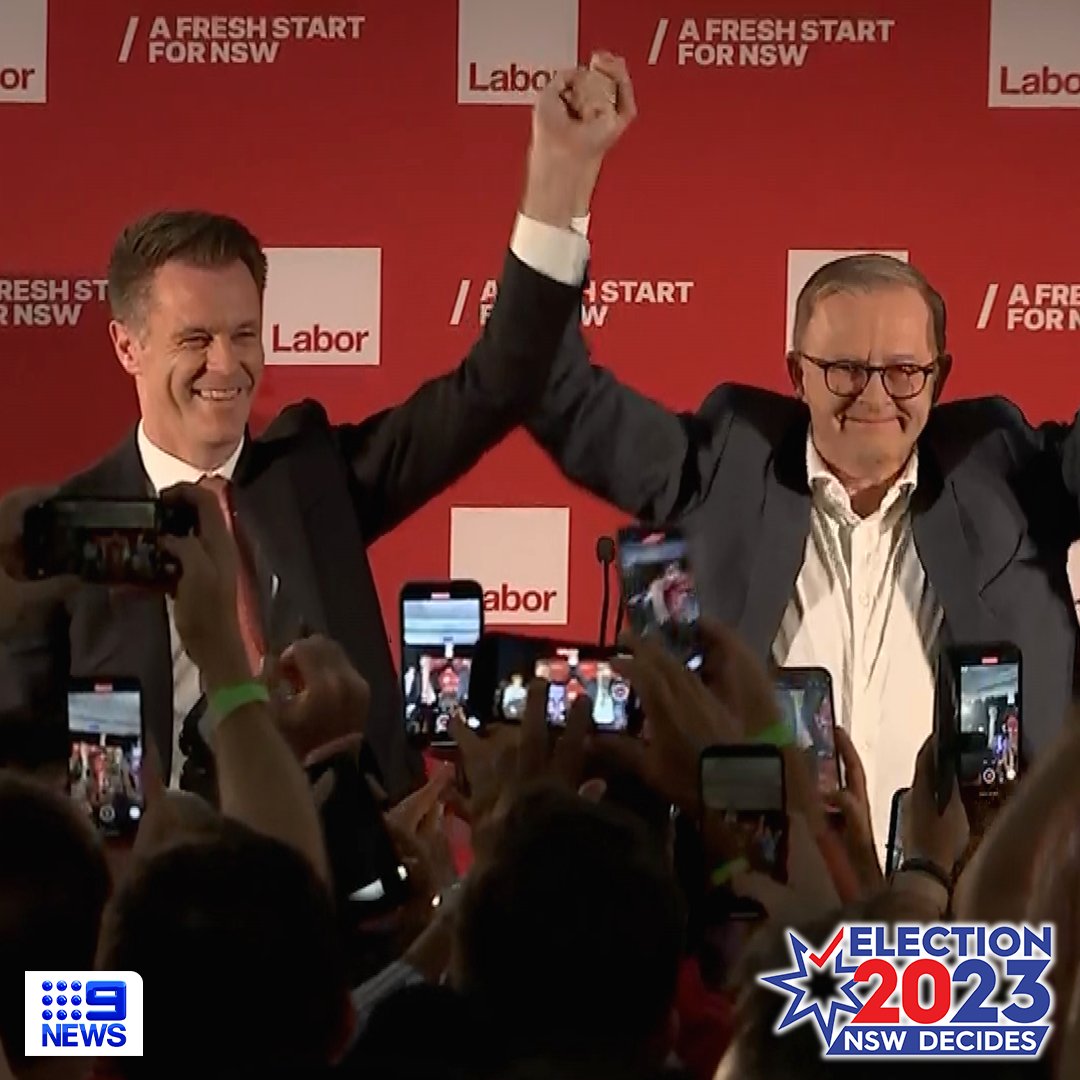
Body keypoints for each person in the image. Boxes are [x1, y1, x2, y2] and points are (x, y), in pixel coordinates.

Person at [0, 66, 628, 799]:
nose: (227, 365)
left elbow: (497, 384)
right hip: (166, 860)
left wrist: (560, 177)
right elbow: (22, 776)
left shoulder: (312, 477)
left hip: (345, 852)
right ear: (126, 346)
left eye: (244, 334)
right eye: (195, 339)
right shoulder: (61, 532)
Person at [518, 55, 1080, 846]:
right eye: (845, 369)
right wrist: (560, 182)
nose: (876, 396)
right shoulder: (726, 461)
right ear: (796, 374)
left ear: (941, 376)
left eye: (905, 371)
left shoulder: (1003, 465)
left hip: (977, 899)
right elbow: (555, 393)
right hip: (763, 895)